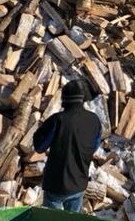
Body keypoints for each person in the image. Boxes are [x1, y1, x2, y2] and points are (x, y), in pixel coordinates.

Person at [33, 80, 101, 212]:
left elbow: (40, 147)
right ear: (82, 98)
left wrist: (39, 130)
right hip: (79, 183)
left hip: (56, 185)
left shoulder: (57, 120)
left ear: (64, 99)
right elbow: (94, 146)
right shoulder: (94, 120)